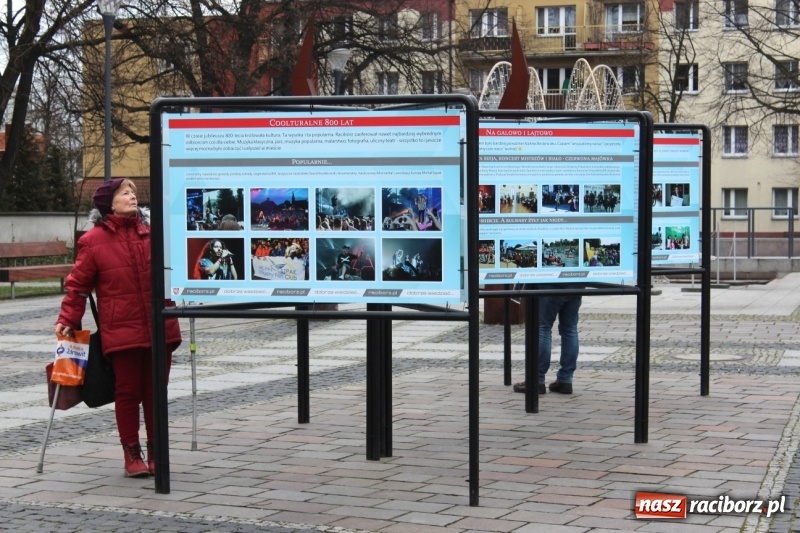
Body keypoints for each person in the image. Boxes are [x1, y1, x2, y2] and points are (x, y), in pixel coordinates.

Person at [54, 178, 182, 478]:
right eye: (125, 193)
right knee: (127, 392)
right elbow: (78, 288)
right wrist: (68, 320)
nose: (132, 196)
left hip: (160, 324)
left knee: (156, 391)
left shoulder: (154, 233)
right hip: (121, 328)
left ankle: (156, 450)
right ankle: (131, 452)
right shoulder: (93, 241)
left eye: (134, 193)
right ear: (108, 203)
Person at [514, 286, 582, 395]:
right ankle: (566, 379)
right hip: (575, 280)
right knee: (570, 329)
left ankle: (537, 380)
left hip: (550, 280)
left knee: (542, 327)